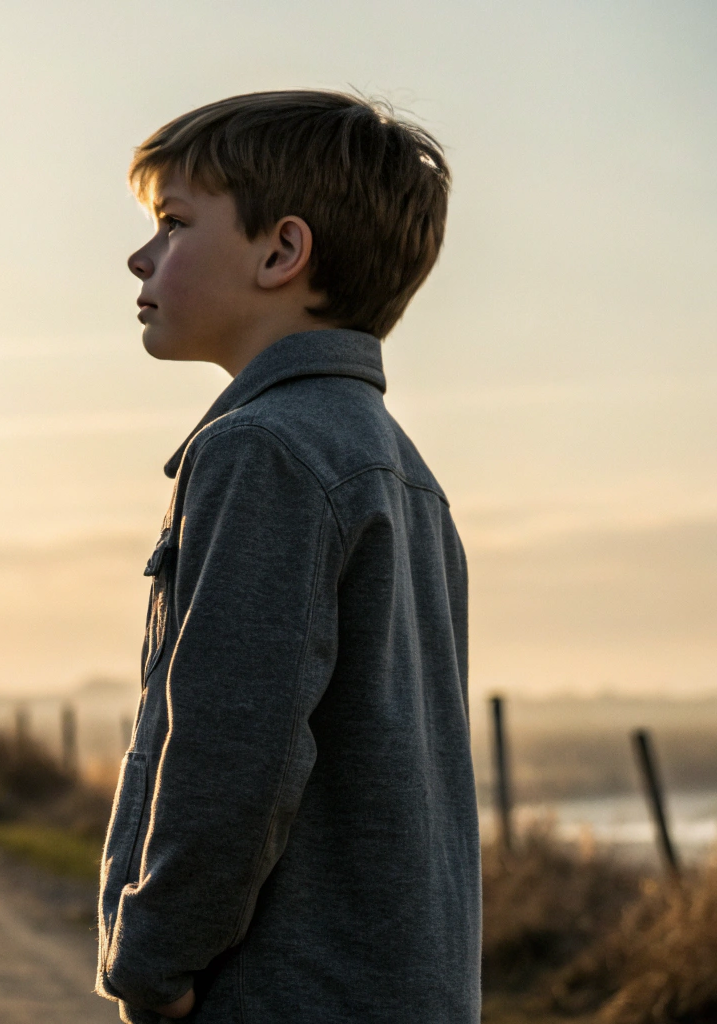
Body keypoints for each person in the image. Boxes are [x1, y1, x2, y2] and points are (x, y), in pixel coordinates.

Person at [96, 92, 478, 1023]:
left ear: (281, 253)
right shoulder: (401, 469)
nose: (141, 257)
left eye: (174, 223)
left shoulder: (263, 449)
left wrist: (154, 962)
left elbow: (232, 751)